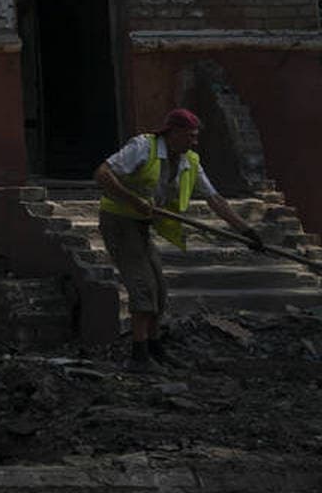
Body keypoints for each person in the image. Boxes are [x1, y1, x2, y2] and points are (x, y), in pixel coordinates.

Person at [94, 107, 263, 371]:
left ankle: (155, 348)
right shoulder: (143, 147)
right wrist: (133, 201)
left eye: (196, 137)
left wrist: (247, 232)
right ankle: (139, 358)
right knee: (143, 287)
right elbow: (102, 173)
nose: (194, 142)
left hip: (143, 224)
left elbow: (214, 199)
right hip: (119, 220)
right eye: (189, 136)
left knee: (159, 289)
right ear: (172, 133)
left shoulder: (189, 161)